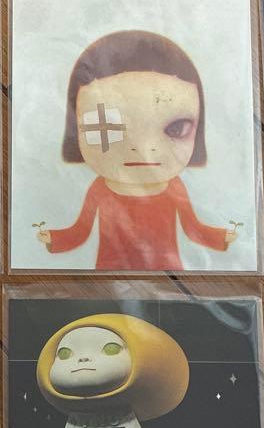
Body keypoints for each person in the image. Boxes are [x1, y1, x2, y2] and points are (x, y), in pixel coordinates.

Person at [35, 30, 238, 270]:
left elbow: (193, 229)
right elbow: (80, 231)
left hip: (166, 275)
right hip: (111, 274)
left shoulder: (174, 188)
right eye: (108, 127)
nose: (142, 148)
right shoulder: (100, 189)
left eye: (176, 128)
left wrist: (222, 237)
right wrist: (53, 239)